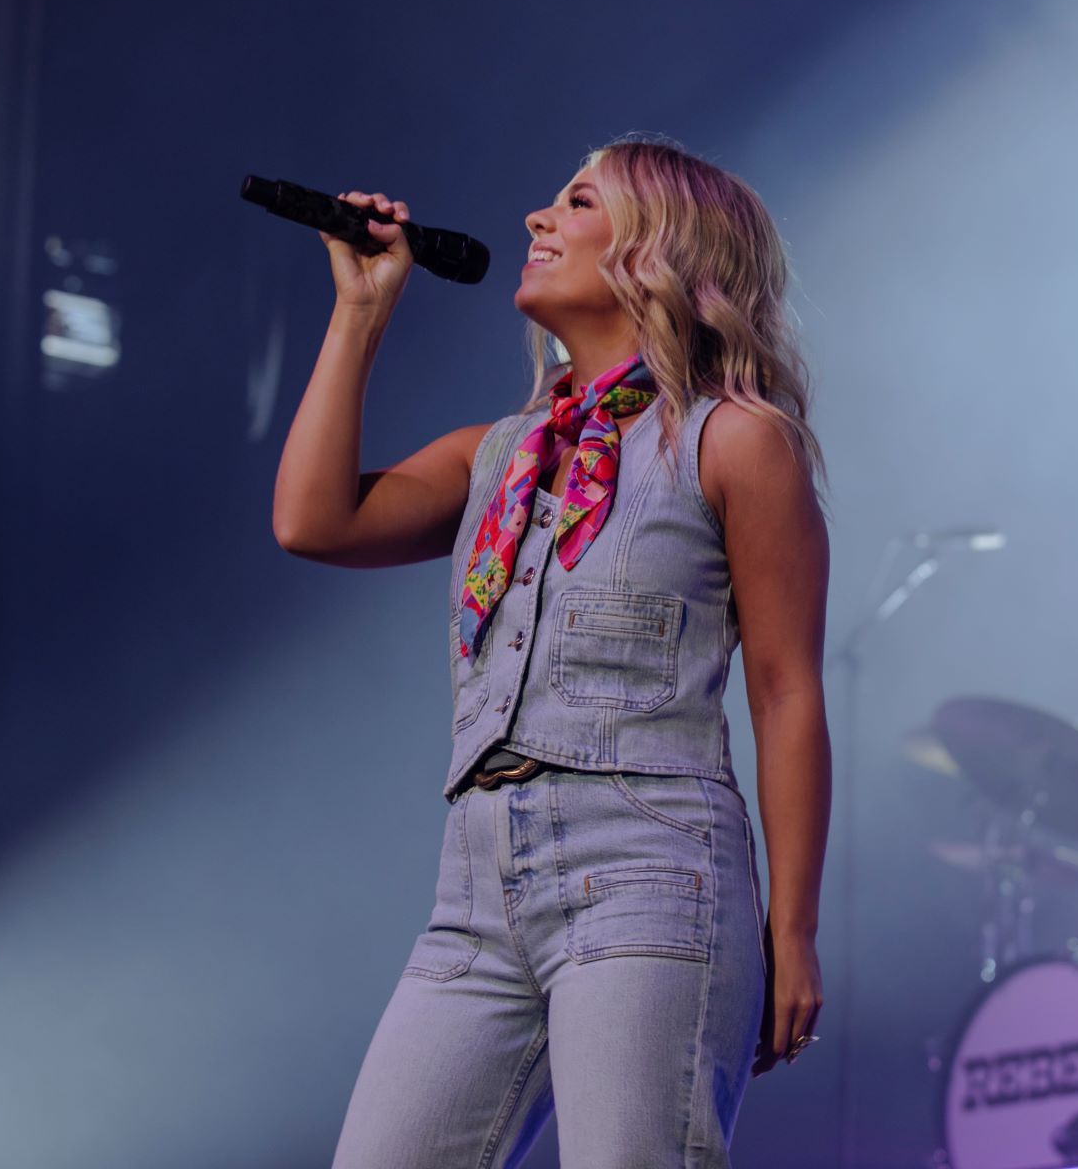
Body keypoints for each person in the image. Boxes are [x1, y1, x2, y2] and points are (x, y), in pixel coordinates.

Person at [273, 135, 832, 1166]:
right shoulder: (499, 452)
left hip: (648, 865)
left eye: (575, 202)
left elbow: (786, 688)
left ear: (659, 249)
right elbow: (313, 522)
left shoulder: (733, 439)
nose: (536, 221)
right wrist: (361, 312)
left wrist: (790, 928)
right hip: (476, 892)